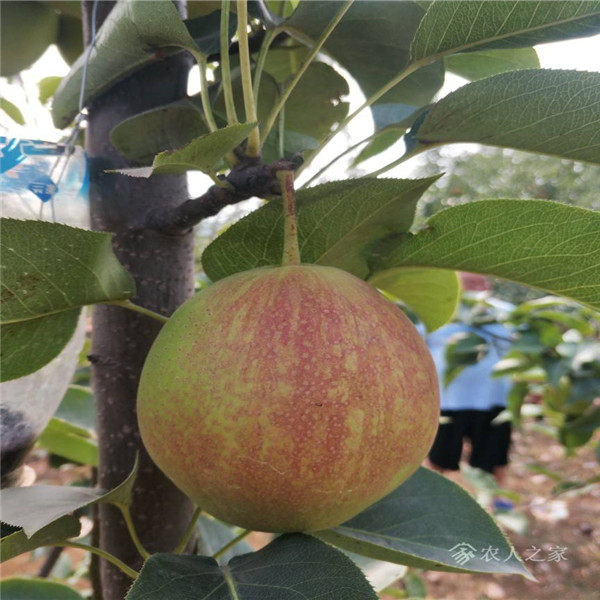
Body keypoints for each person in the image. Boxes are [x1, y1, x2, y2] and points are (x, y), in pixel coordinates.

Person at [426, 274, 514, 489]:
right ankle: (436, 498)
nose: (476, 288)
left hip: (494, 400)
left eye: (480, 282)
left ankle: (495, 501)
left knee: (492, 458)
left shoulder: (505, 313)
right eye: (468, 283)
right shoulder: (438, 314)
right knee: (440, 457)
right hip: (448, 401)